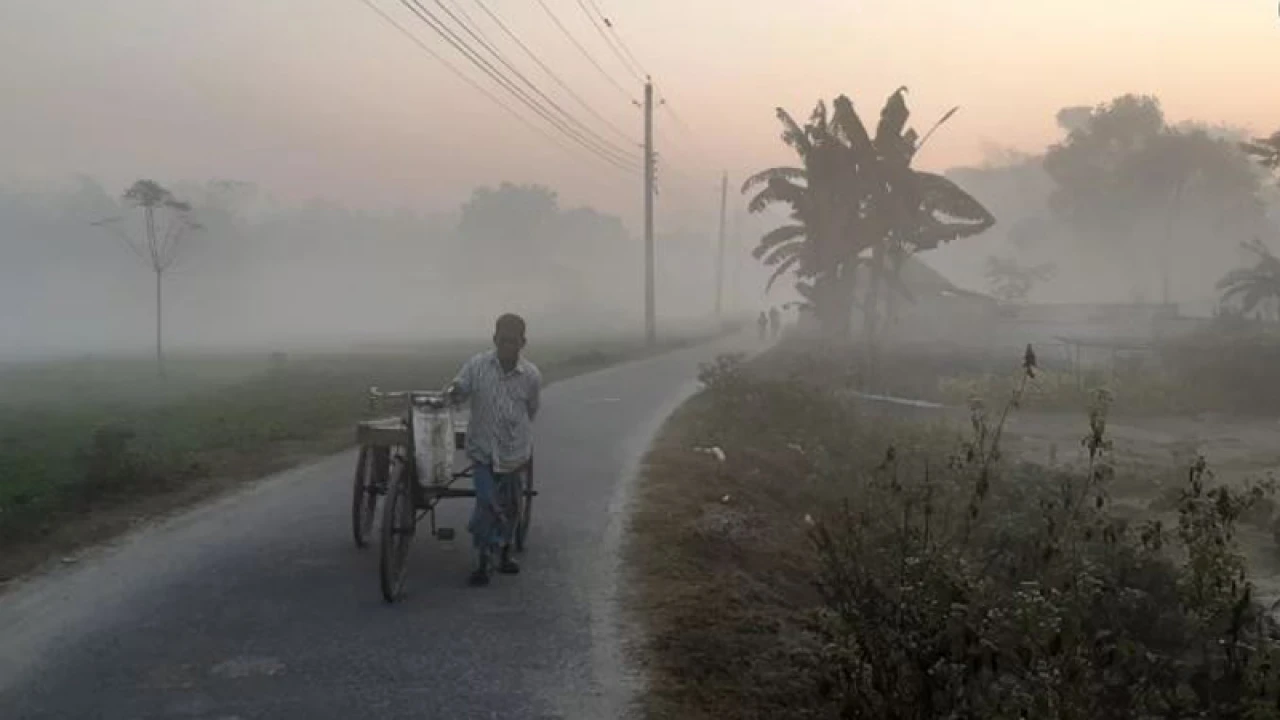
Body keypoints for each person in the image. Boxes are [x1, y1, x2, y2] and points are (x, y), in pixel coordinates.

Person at [446, 313, 542, 587]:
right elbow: (461, 388)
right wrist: (454, 391)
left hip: (514, 451)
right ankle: (482, 559)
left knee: (511, 506)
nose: (507, 346)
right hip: (483, 450)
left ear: (523, 342)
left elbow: (532, 409)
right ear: (494, 340)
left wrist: (515, 431)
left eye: (513, 341)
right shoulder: (477, 366)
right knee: (486, 502)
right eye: (502, 341)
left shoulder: (531, 375)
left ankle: (504, 552)